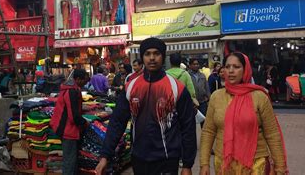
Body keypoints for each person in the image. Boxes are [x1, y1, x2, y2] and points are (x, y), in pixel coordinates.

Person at [95, 37, 196, 175]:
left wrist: (187, 164)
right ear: (142, 57)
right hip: (139, 158)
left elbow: (188, 127)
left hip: (167, 160)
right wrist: (105, 155)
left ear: (163, 56)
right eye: (147, 54)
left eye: (156, 53)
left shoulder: (177, 88)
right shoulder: (131, 87)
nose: (152, 58)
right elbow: (117, 122)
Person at [200, 52, 288, 174]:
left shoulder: (259, 97)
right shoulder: (216, 97)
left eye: (236, 67)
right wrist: (204, 164)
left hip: (256, 164)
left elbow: (272, 134)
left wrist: (280, 167)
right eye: (227, 66)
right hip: (224, 164)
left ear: (245, 69)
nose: (231, 71)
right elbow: (208, 131)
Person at [50, 69, 89, 175]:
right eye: (84, 80)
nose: (86, 82)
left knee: (71, 160)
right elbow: (73, 116)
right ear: (78, 79)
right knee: (69, 161)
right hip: (68, 129)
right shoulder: (71, 91)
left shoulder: (71, 89)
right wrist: (84, 123)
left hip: (65, 128)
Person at [188, 58, 210, 125]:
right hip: (193, 103)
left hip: (203, 102)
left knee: (204, 121)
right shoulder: (187, 75)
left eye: (197, 64)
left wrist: (208, 97)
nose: (196, 65)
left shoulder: (202, 75)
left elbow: (206, 87)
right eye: (194, 64)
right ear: (190, 65)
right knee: (192, 122)